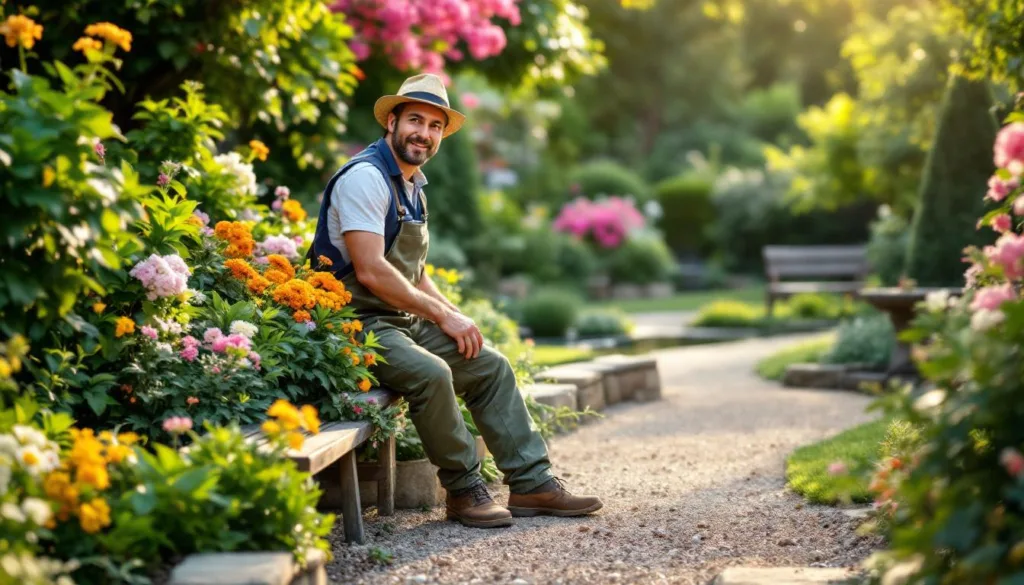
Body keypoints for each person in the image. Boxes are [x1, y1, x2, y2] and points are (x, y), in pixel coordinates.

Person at [307, 73, 603, 528]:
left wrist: (454, 316)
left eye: (435, 126)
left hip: (397, 318)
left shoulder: (411, 186)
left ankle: (531, 484)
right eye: (415, 121)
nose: (424, 134)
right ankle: (464, 491)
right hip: (354, 323)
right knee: (431, 372)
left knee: (489, 364)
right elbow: (370, 270)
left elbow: (414, 272)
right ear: (391, 121)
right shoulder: (366, 178)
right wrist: (443, 315)